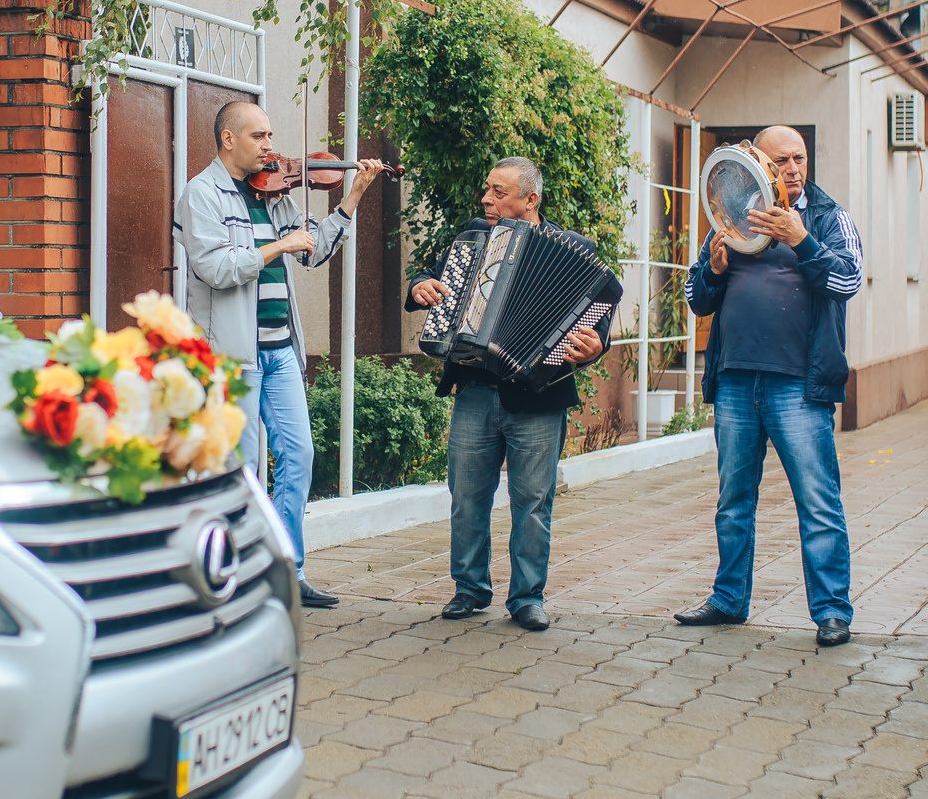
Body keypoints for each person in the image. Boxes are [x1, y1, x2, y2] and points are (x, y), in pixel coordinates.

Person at [179, 99, 386, 609]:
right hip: (233, 357)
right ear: (229, 139)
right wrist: (277, 246)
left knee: (300, 456)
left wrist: (351, 199)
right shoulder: (200, 194)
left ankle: (288, 570)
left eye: (271, 136)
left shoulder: (274, 194)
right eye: (260, 137)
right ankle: (242, 573)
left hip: (280, 352)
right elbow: (217, 269)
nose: (272, 147)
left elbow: (313, 249)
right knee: (244, 467)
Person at [405, 157, 616, 632]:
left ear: (530, 199)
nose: (487, 199)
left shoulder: (574, 249)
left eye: (499, 192)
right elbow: (427, 277)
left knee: (533, 501)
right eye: (487, 190)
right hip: (476, 388)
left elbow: (600, 319)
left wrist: (594, 345)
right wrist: (422, 286)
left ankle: (526, 598)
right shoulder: (473, 237)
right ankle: (470, 589)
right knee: (466, 496)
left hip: (539, 397)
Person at [676, 126, 863, 645]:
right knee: (733, 501)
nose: (794, 169)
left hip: (799, 386)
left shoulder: (827, 218)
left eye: (800, 158)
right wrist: (712, 272)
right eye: (782, 159)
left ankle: (830, 611)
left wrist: (800, 240)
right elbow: (696, 297)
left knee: (818, 501)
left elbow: (847, 281)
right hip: (736, 379)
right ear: (759, 161)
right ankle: (729, 599)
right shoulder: (730, 217)